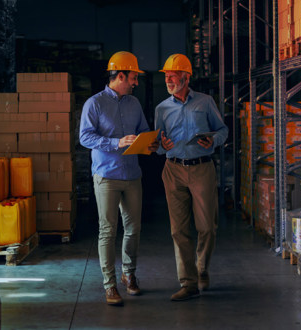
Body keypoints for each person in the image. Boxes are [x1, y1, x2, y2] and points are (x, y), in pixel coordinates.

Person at [79, 51, 159, 306]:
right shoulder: (94, 103)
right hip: (106, 175)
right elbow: (85, 137)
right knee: (107, 230)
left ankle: (129, 274)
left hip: (132, 174)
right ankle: (110, 285)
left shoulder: (134, 104)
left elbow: (143, 132)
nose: (136, 82)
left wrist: (150, 144)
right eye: (133, 77)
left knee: (133, 229)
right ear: (120, 75)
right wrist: (116, 142)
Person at [155, 54, 228, 301]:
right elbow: (157, 145)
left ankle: (202, 268)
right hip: (173, 169)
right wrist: (161, 145)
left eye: (172, 75)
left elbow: (223, 129)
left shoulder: (206, 102)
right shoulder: (161, 108)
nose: (168, 79)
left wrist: (213, 140)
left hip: (201, 168)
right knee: (179, 230)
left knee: (207, 226)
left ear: (186, 77)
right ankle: (188, 282)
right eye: (166, 76)